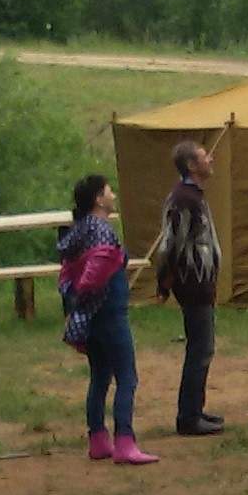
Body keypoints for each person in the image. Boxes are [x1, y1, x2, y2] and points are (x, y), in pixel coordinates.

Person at [56, 174, 157, 466]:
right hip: (110, 312)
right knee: (127, 377)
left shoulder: (80, 230)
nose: (113, 196)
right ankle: (125, 441)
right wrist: (88, 291)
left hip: (91, 316)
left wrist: (78, 301)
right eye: (109, 191)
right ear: (98, 199)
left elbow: (67, 274)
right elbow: (94, 272)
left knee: (100, 376)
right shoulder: (100, 230)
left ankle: (98, 439)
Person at [154, 140, 223, 436]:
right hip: (192, 282)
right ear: (192, 165)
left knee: (203, 347)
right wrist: (164, 280)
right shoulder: (183, 200)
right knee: (200, 349)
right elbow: (171, 244)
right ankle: (189, 416)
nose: (211, 159)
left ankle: (196, 409)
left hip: (201, 282)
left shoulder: (194, 196)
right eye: (204, 156)